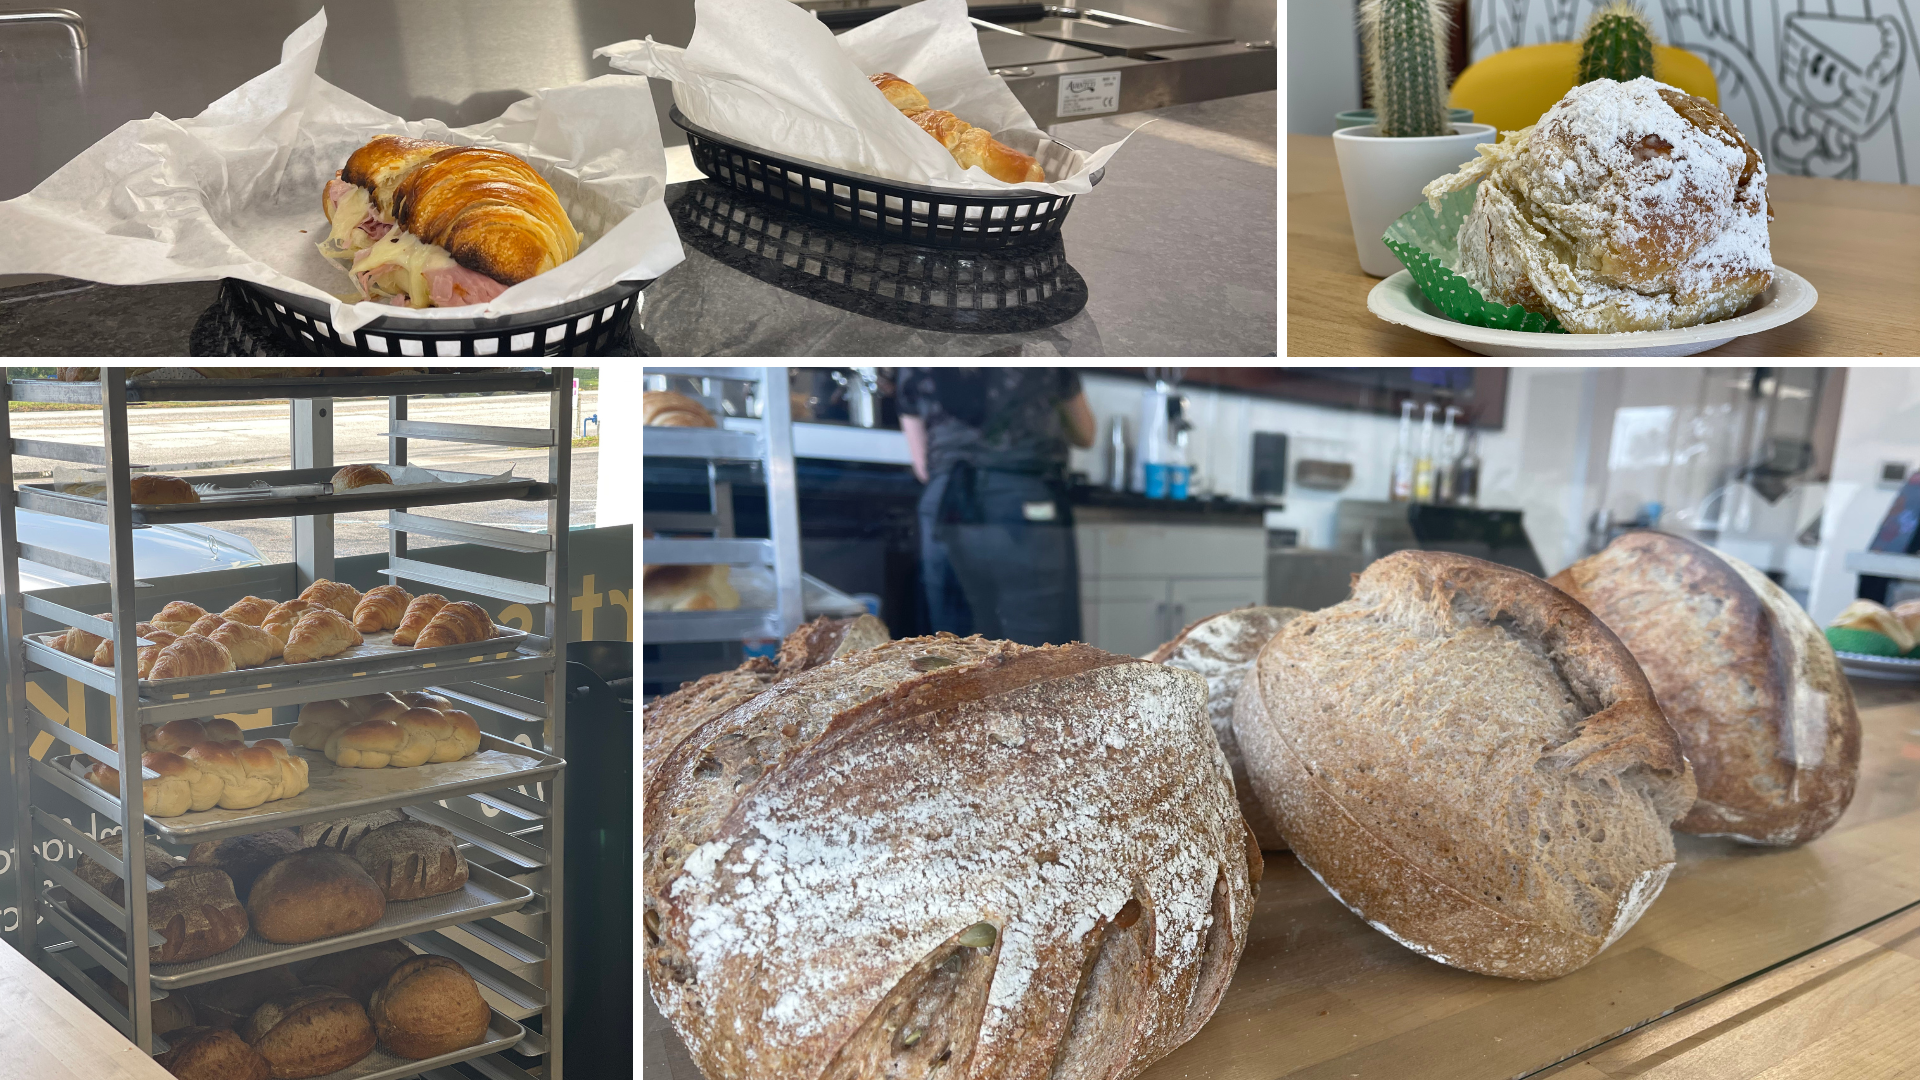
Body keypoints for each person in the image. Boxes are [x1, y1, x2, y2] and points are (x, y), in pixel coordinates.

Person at [897, 368, 1096, 646]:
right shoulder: (1041, 352)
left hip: (948, 506)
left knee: (955, 650)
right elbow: (1085, 434)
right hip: (1024, 504)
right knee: (1039, 652)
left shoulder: (916, 361)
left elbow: (923, 466)